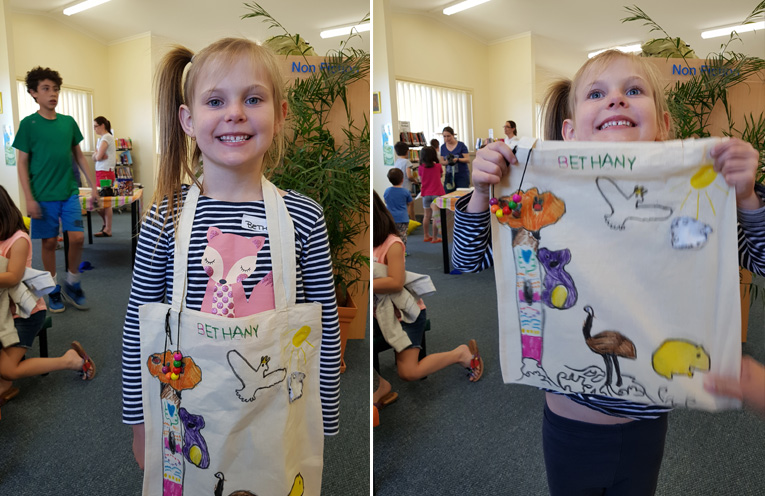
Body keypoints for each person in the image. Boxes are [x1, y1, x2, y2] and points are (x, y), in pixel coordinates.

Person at [451, 50, 763, 495]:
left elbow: (761, 258)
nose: (616, 100)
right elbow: (466, 260)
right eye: (597, 93)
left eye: (633, 90)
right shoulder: (541, 196)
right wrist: (482, 193)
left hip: (646, 425)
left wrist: (747, 196)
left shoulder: (692, 196)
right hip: (570, 426)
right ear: (571, 130)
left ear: (663, 126)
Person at [120, 38, 341, 491]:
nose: (235, 112)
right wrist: (140, 423)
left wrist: (325, 416)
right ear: (188, 119)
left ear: (279, 115)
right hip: (187, 408)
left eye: (253, 98)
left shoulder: (303, 216)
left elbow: (324, 326)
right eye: (216, 101)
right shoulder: (165, 217)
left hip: (277, 412)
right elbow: (138, 327)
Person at [0, 184, 95, 409]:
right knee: (4, 379)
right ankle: (6, 385)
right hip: (4, 311)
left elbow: (13, 277)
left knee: (7, 369)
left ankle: (68, 360)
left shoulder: (18, 239)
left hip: (26, 313)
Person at [13, 66, 98, 313]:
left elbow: (80, 157)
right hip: (42, 196)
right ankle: (52, 290)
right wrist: (28, 198)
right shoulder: (29, 124)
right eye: (46, 89)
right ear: (33, 93)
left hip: (69, 191)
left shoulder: (69, 123)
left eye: (56, 89)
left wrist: (93, 186)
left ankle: (72, 282)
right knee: (49, 243)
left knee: (78, 238)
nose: (53, 94)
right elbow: (22, 162)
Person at [373, 191, 482, 382]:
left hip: (406, 316)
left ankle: (460, 354)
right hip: (380, 314)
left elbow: (396, 282)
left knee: (409, 372)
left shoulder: (392, 244)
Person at [92, 116, 117, 237]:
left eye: (96, 126)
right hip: (101, 171)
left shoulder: (107, 137)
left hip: (105, 172)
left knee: (104, 201)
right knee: (98, 202)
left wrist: (97, 155)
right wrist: (97, 155)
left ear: (102, 125)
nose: (94, 129)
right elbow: (95, 157)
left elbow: (97, 157)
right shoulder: (101, 139)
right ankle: (105, 226)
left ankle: (108, 228)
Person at [418, 146, 444, 243]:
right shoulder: (438, 166)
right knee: (435, 216)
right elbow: (440, 175)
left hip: (425, 194)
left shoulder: (421, 168)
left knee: (426, 216)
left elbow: (421, 180)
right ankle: (435, 237)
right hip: (437, 193)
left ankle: (426, 235)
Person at [384, 168, 413, 249]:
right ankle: (402, 251)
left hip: (390, 218)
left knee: (391, 236)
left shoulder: (387, 191)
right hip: (402, 218)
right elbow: (410, 203)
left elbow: (385, 201)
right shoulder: (405, 191)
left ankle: (391, 249)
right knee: (402, 236)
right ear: (402, 179)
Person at [439, 126, 470, 192]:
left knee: (462, 195)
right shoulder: (443, 147)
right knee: (448, 195)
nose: (446, 138)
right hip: (449, 176)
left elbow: (467, 159)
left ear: (453, 135)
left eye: (448, 136)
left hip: (462, 176)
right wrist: (447, 162)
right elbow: (442, 161)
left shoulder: (461, 145)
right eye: (444, 136)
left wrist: (457, 159)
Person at [393, 141, 416, 220]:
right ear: (407, 151)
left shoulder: (397, 162)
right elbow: (409, 175)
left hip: (398, 187)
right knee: (410, 204)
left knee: (402, 205)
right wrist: (415, 181)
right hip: (406, 187)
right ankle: (412, 220)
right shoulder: (407, 162)